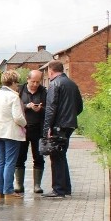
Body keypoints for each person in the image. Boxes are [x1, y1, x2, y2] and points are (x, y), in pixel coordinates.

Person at [42, 61, 83, 199]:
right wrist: (70, 116)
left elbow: (51, 108)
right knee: (61, 155)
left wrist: (47, 127)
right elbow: (79, 106)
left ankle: (59, 189)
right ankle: (66, 188)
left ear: (50, 71)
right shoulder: (72, 84)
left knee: (56, 156)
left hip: (58, 125)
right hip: (69, 125)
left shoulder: (54, 84)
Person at [0, 70, 27, 202]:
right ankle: (9, 191)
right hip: (10, 133)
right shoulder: (13, 97)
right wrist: (25, 123)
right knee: (10, 162)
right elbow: (18, 117)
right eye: (17, 83)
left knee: (0, 162)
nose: (18, 86)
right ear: (13, 82)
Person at [15, 70, 47, 194]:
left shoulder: (44, 91)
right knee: (20, 157)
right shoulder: (20, 90)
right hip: (22, 129)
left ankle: (37, 185)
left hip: (38, 129)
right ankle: (19, 184)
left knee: (38, 157)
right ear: (28, 79)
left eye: (37, 82)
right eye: (33, 81)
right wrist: (27, 106)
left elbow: (49, 108)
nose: (35, 84)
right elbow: (14, 107)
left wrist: (40, 108)